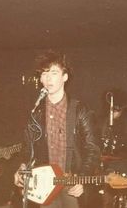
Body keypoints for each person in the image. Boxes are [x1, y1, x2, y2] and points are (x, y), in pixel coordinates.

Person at [14, 50, 101, 208]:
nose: (48, 79)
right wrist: (21, 167)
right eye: (44, 74)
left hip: (71, 183)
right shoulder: (36, 112)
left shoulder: (80, 110)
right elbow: (28, 147)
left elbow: (93, 148)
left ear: (65, 77)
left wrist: (82, 178)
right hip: (45, 183)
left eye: (53, 73)